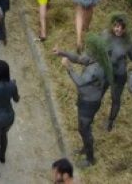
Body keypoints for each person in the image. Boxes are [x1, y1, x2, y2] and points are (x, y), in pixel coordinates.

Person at [55, 33, 111, 168]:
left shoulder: (97, 68)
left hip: (89, 103)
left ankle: (90, 159)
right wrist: (63, 52)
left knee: (84, 128)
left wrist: (68, 67)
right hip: (86, 99)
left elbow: (80, 82)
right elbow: (79, 59)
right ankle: (85, 148)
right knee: (84, 127)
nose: (87, 51)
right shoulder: (96, 58)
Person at [103, 14, 132, 132]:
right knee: (99, 92)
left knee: (116, 98)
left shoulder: (128, 41)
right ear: (112, 25)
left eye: (122, 27)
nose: (119, 29)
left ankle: (110, 121)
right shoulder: (105, 35)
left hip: (119, 74)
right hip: (106, 71)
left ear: (126, 28)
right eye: (117, 26)